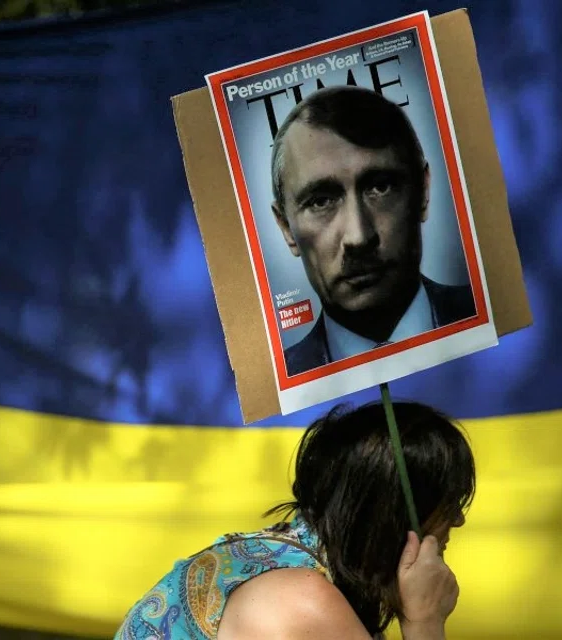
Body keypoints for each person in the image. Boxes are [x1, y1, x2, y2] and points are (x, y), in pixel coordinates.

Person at [114, 400, 475, 640]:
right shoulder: (300, 603)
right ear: (390, 515)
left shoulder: (298, 569)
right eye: (447, 503)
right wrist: (425, 622)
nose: (457, 520)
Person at [269, 86, 476, 376]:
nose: (358, 237)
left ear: (423, 191)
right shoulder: (284, 375)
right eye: (320, 202)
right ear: (286, 228)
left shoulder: (487, 312)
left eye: (380, 187)